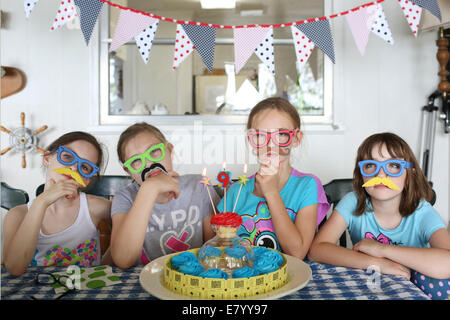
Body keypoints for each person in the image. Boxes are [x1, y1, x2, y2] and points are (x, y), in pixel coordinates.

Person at [308, 132, 450, 299]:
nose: (381, 175)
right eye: (370, 166)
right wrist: (378, 263)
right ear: (361, 174)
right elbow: (316, 250)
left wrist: (380, 248)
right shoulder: (352, 202)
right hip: (369, 285)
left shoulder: (422, 212)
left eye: (394, 166)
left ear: (410, 173)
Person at [218, 97, 329, 259]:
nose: (270, 145)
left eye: (282, 134)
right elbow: (217, 248)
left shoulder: (307, 186)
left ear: (296, 138)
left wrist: (271, 192)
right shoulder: (236, 191)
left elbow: (297, 253)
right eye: (260, 136)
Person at [110, 122, 220, 269]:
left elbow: (214, 251)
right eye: (136, 160)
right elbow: (123, 260)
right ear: (128, 171)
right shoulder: (124, 197)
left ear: (169, 150)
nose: (148, 163)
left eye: (154, 151)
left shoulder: (198, 186)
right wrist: (149, 189)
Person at [3, 132, 112, 276]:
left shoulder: (97, 207)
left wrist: (105, 263)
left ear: (87, 180)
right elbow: (15, 268)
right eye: (67, 156)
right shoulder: (16, 215)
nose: (73, 168)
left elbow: (129, 230)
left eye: (85, 167)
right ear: (47, 158)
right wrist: (41, 202)